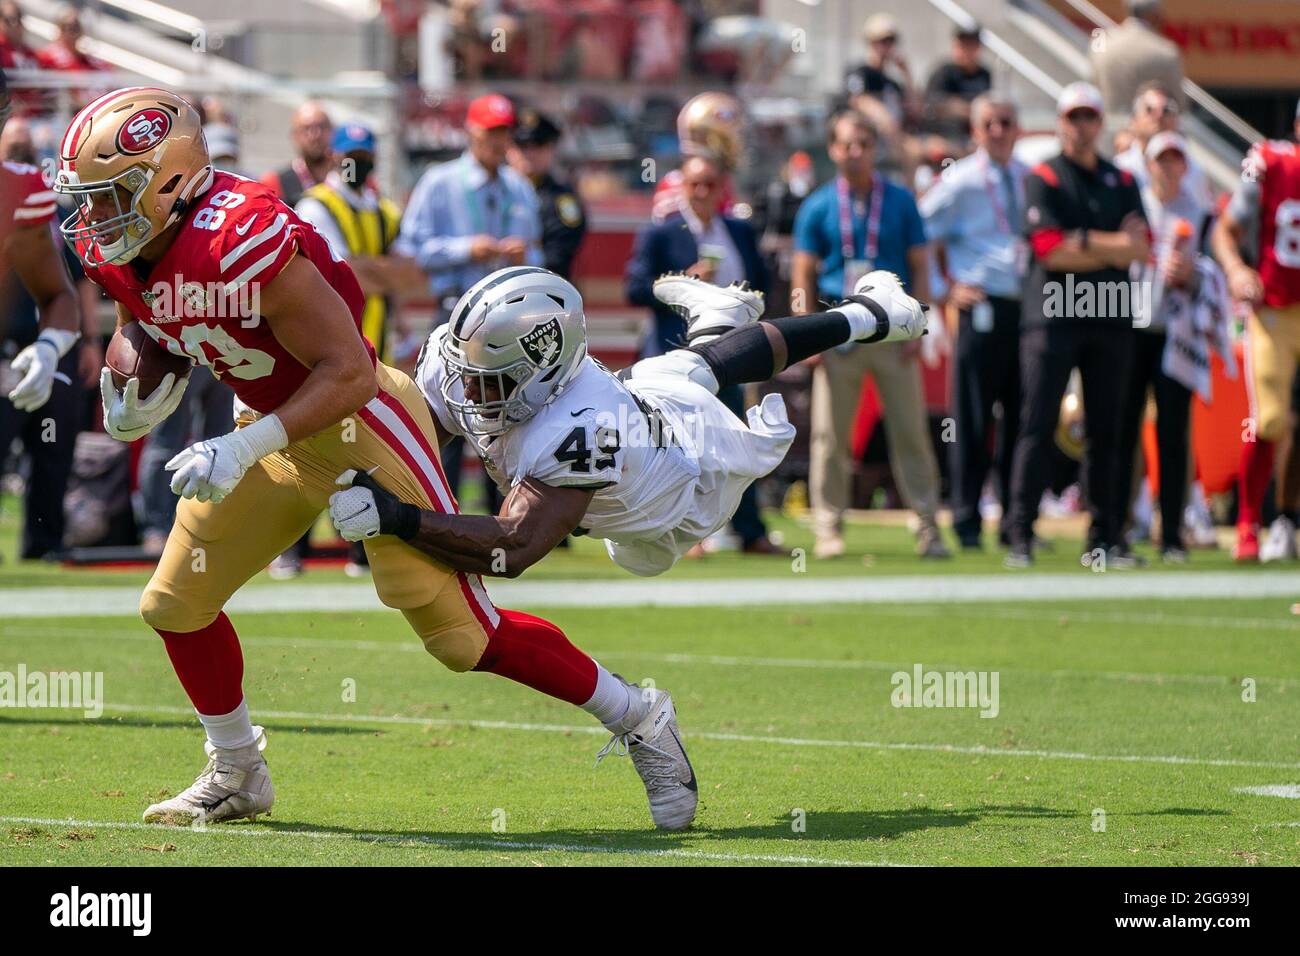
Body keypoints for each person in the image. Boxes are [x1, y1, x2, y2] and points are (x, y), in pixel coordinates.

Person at [54, 88, 699, 835]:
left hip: (359, 423)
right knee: (174, 604)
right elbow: (149, 310)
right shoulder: (123, 245)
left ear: (170, 183)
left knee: (464, 638)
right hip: (270, 425)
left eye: (112, 197)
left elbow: (349, 371)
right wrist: (134, 369)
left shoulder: (239, 234)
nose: (95, 218)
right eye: (89, 199)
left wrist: (241, 445)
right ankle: (236, 769)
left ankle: (640, 716)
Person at [329, 267, 928, 579]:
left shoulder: (583, 425)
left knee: (703, 368)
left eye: (491, 380)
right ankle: (871, 313)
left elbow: (511, 550)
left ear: (543, 370)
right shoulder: (473, 363)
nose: (468, 393)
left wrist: (399, 518)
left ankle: (869, 314)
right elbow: (415, 434)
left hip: (687, 485)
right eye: (467, 373)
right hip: (643, 407)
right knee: (698, 363)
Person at [791, 109, 949, 560]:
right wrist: (806, 332)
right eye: (846, 144)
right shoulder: (819, 205)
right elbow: (804, 269)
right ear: (833, 149)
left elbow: (920, 263)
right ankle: (828, 528)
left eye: (863, 143)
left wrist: (920, 324)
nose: (855, 151)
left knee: (910, 433)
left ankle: (927, 528)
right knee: (829, 436)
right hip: (839, 332)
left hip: (894, 332)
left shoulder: (899, 201)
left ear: (874, 149)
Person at [1005, 82, 1150, 569]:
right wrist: (1108, 245)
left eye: (1089, 116)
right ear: (1061, 121)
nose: (1081, 126)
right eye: (1073, 117)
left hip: (1109, 314)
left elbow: (1141, 246)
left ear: (1100, 122)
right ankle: (1020, 531)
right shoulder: (1043, 176)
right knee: (1038, 422)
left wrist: (1084, 242)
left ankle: (1106, 537)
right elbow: (1049, 250)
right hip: (1052, 315)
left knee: (1110, 429)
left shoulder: (1122, 180)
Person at [392, 92, 541, 506]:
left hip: (510, 316)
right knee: (446, 410)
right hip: (457, 309)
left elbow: (539, 254)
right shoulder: (440, 182)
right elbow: (409, 249)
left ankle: (511, 515)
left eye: (505, 132)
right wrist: (464, 249)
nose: (500, 141)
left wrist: (524, 256)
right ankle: (442, 507)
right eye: (493, 132)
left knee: (514, 413)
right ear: (472, 133)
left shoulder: (519, 187)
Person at [625, 152, 776, 555]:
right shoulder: (661, 233)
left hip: (729, 355)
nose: (703, 192)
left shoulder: (739, 231)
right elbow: (635, 287)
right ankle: (683, 533)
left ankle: (750, 531)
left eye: (711, 183)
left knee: (734, 440)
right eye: (695, 184)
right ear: (682, 187)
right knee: (678, 448)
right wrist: (684, 282)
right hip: (679, 357)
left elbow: (762, 281)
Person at [920, 95, 1028, 550]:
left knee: (1022, 416)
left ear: (1017, 128)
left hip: (1025, 306)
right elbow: (919, 234)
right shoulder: (960, 180)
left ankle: (1016, 519)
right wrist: (943, 291)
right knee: (970, 415)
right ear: (977, 131)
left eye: (1006, 122)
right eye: (990, 123)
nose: (999, 131)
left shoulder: (1029, 178)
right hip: (978, 303)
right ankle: (965, 518)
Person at [1117, 131, 1221, 563]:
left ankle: (1173, 535)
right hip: (1131, 324)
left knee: (1173, 433)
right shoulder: (1132, 201)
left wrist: (1191, 276)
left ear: (1184, 165)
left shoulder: (1198, 211)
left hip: (1176, 331)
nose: (1167, 166)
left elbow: (1214, 274)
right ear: (1150, 163)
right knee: (1121, 429)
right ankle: (1116, 528)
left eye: (1175, 159)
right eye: (1161, 159)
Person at [1211, 100, 1300, 563]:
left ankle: (1287, 520)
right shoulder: (1272, 163)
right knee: (1268, 420)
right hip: (1276, 311)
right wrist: (1235, 270)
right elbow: (1225, 231)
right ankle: (1248, 522)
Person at [0, 67, 82, 556]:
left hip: (10, 357)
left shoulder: (21, 191)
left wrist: (50, 348)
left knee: (50, 459)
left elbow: (60, 295)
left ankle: (43, 542)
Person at [508, 108, 586, 279]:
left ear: (551, 149)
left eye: (538, 146)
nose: (529, 154)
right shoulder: (497, 190)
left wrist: (524, 256)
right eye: (522, 147)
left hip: (545, 292)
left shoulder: (562, 199)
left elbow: (558, 256)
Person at [1112, 82, 1213, 212]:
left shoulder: (1194, 170)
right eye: (1149, 109)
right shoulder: (1120, 167)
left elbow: (1205, 219)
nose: (1159, 116)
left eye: (1166, 110)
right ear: (1133, 121)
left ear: (1176, 121)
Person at [1090, 0, 1185, 119]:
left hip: (1106, 127)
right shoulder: (1165, 51)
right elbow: (1179, 104)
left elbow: (1092, 86)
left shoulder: (1102, 44)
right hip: (1147, 130)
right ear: (1154, 14)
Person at [259, 101, 332, 208]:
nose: (315, 135)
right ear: (294, 135)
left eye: (321, 127)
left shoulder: (348, 178)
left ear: (332, 131)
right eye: (306, 129)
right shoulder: (274, 183)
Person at [924, 23, 991, 138]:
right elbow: (933, 103)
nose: (967, 49)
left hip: (976, 135)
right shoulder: (944, 72)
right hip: (947, 135)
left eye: (972, 44)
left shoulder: (984, 74)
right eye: (964, 44)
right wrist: (970, 110)